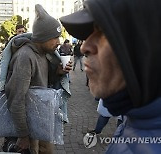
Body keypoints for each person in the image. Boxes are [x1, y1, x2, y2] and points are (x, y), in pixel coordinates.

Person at [60, 0, 161, 153]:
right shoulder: (135, 118)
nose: (84, 47)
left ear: (145, 44)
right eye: (90, 34)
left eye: (103, 32)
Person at [4, 4, 72, 154]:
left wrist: (58, 72)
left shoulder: (42, 53)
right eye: (55, 37)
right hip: (30, 129)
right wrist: (23, 135)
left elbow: (40, 82)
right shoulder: (25, 56)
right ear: (42, 37)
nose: (59, 42)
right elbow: (16, 99)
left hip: (40, 121)